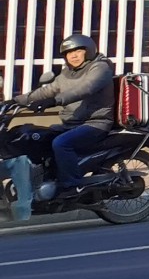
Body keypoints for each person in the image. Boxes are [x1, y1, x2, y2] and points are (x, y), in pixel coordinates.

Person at [15, 32, 120, 194]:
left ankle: (72, 185)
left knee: (61, 143)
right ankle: (46, 180)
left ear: (88, 51)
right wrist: (17, 100)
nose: (74, 56)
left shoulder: (100, 68)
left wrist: (56, 101)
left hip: (95, 123)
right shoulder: (67, 73)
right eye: (69, 53)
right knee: (35, 138)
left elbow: (86, 88)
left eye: (78, 51)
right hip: (71, 123)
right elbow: (48, 90)